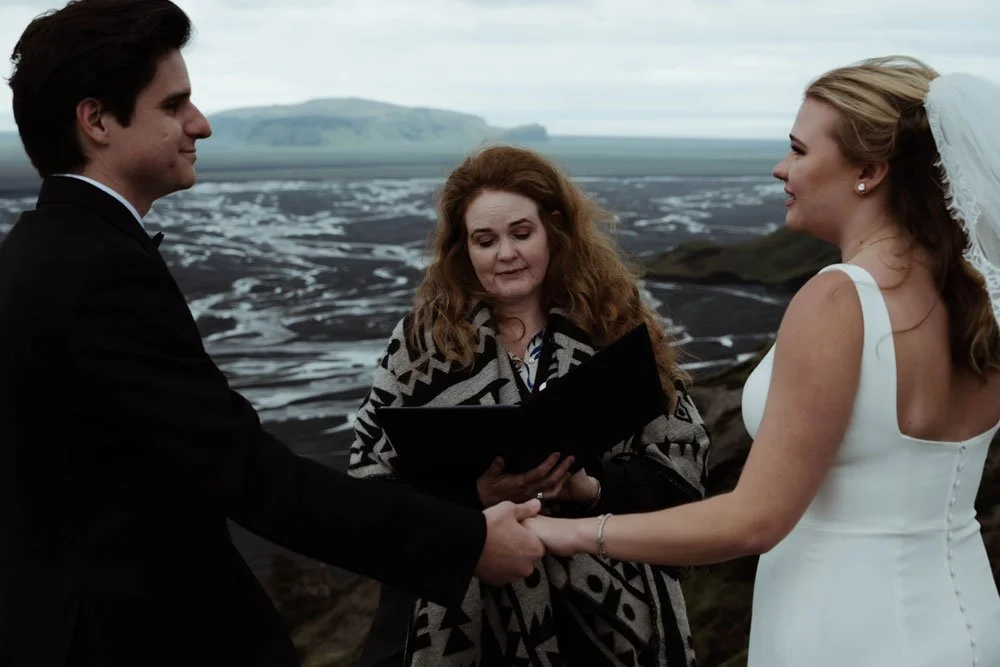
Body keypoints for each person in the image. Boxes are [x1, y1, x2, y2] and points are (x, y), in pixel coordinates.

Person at [0, 2, 545, 666]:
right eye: (173, 105)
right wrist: (466, 541)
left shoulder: (32, 254)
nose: (200, 124)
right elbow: (246, 473)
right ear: (96, 121)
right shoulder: (99, 271)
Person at [525, 56, 1000, 666]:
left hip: (846, 629)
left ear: (869, 171)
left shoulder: (838, 299)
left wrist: (561, 532)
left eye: (798, 150)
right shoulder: (979, 297)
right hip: (969, 618)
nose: (781, 168)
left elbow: (754, 520)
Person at [347, 144, 711, 667]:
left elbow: (682, 473)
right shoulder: (420, 344)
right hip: (467, 629)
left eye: (522, 233)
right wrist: (476, 496)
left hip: (608, 630)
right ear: (462, 249)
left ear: (554, 232)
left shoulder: (615, 325)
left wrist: (590, 488)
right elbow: (370, 485)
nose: (506, 253)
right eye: (486, 240)